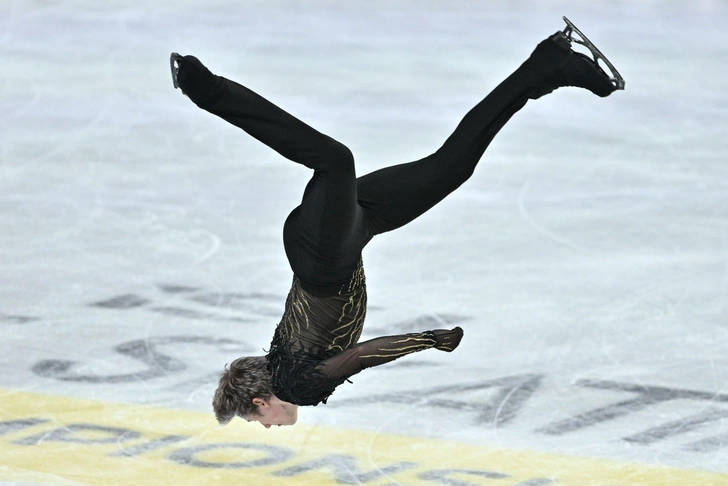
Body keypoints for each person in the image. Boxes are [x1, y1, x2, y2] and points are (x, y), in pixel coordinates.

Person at [170, 17, 624, 429]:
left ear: (260, 402)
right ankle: (548, 65)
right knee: (450, 168)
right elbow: (342, 351)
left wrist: (427, 340)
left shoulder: (295, 386)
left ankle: (209, 92)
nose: (267, 427)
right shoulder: (281, 365)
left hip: (325, 253)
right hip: (349, 234)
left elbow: (362, 356)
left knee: (335, 160)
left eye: (257, 421)